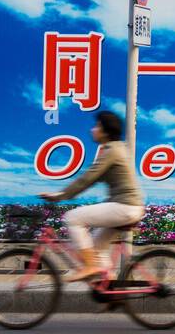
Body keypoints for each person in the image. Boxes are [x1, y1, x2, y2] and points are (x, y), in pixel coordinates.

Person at [38, 110, 145, 282]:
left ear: (105, 131)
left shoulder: (111, 151)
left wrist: (60, 196)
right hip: (128, 207)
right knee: (96, 249)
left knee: (72, 217)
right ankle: (109, 289)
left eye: (96, 126)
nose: (92, 130)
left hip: (125, 207)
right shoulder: (116, 149)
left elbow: (87, 179)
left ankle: (89, 267)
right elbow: (90, 179)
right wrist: (64, 194)